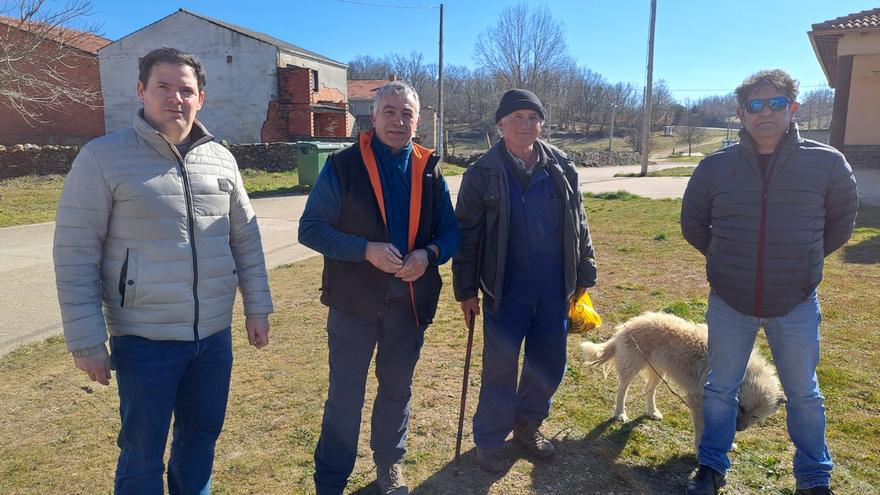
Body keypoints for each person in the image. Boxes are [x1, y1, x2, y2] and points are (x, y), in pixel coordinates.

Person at [53, 47, 274, 494]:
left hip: (212, 339)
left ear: (201, 99)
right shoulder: (102, 158)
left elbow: (244, 239)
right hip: (144, 341)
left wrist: (258, 307)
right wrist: (86, 340)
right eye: (164, 87)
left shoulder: (221, 160)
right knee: (141, 453)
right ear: (141, 91)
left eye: (186, 90)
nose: (176, 98)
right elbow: (75, 252)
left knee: (199, 445)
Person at [681, 69, 858, 495]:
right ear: (741, 114)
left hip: (795, 302)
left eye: (776, 103)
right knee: (720, 388)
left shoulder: (827, 163)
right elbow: (692, 224)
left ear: (792, 108)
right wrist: (727, 263)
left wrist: (801, 265)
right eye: (755, 105)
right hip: (730, 301)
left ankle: (814, 478)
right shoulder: (714, 167)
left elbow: (841, 223)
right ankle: (711, 466)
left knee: (804, 394)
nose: (766, 112)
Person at [298, 80, 460, 495]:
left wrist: (429, 254)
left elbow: (451, 233)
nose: (398, 120)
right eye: (390, 111)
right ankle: (331, 480)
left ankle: (389, 464)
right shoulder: (344, 165)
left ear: (417, 121)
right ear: (373, 117)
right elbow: (310, 229)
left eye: (407, 114)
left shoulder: (429, 168)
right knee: (345, 396)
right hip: (353, 304)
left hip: (408, 304)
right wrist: (363, 250)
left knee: (396, 388)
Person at [451, 89, 597, 472]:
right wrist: (466, 290)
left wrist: (585, 269)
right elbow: (466, 236)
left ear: (541, 125)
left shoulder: (561, 166)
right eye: (517, 117)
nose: (526, 125)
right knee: (500, 367)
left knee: (548, 363)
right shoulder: (481, 172)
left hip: (554, 288)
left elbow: (579, 221)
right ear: (500, 125)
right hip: (505, 289)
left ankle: (528, 426)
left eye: (533, 118)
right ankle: (489, 439)